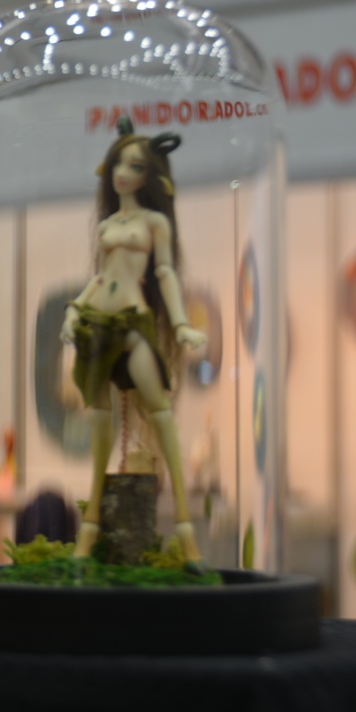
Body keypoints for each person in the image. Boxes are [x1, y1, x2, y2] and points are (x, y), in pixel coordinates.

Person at [61, 117, 207, 565]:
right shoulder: (107, 224)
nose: (124, 173)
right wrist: (73, 308)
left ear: (151, 177)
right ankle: (89, 531)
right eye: (119, 164)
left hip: (134, 323)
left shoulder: (154, 222)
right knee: (101, 425)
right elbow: (100, 277)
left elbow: (165, 273)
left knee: (160, 414)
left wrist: (180, 324)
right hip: (97, 324)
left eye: (136, 167)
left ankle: (185, 531)